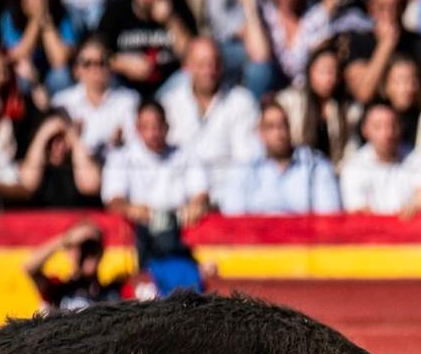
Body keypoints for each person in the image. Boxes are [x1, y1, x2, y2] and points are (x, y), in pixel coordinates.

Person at [163, 37, 260, 187]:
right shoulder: (170, 104)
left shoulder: (242, 102)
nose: (209, 70)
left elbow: (246, 159)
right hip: (182, 193)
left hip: (229, 195)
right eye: (202, 64)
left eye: (215, 63)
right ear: (187, 66)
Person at [219, 98, 341, 213]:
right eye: (270, 127)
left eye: (283, 125)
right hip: (257, 234)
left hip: (303, 234)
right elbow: (233, 220)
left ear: (290, 128)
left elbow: (328, 218)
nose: (278, 133)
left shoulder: (315, 166)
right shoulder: (244, 170)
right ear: (260, 132)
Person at [98, 0, 197, 98]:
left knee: (190, 77)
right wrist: (123, 64)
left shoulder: (176, 2)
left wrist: (171, 21)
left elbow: (190, 55)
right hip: (127, 89)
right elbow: (97, 52)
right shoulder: (117, 7)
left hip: (168, 84)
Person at [102, 97, 211, 225]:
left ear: (167, 127)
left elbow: (201, 193)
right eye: (146, 127)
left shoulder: (186, 155)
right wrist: (130, 209)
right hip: (138, 228)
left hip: (181, 226)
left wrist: (196, 207)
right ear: (137, 129)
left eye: (157, 127)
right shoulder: (120, 158)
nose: (153, 133)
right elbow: (113, 201)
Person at [339, 98, 421, 215]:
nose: (387, 133)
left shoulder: (420, 158)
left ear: (400, 127)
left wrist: (415, 209)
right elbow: (359, 213)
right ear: (365, 131)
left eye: (392, 125)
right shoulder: (353, 167)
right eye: (378, 127)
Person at [54, 36, 139, 155]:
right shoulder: (62, 103)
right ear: (77, 70)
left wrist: (120, 143)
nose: (94, 69)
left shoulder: (129, 101)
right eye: (87, 64)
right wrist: (71, 139)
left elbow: (135, 145)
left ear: (110, 66)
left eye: (100, 63)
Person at [1, 0, 77, 95]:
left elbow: (60, 60)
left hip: (52, 78)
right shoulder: (10, 17)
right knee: (22, 73)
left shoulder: (64, 16)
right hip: (28, 76)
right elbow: (18, 55)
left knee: (62, 76)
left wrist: (45, 20)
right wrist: (35, 21)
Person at [24, 220, 124, 313]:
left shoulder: (116, 291)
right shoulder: (57, 289)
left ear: (101, 252)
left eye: (92, 246)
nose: (87, 252)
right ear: (69, 253)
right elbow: (30, 267)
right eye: (81, 246)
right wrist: (66, 240)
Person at [279, 43, 354, 166]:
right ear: (310, 71)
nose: (329, 78)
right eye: (323, 71)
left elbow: (349, 150)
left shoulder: (347, 110)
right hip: (296, 169)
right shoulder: (290, 101)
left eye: (334, 72)